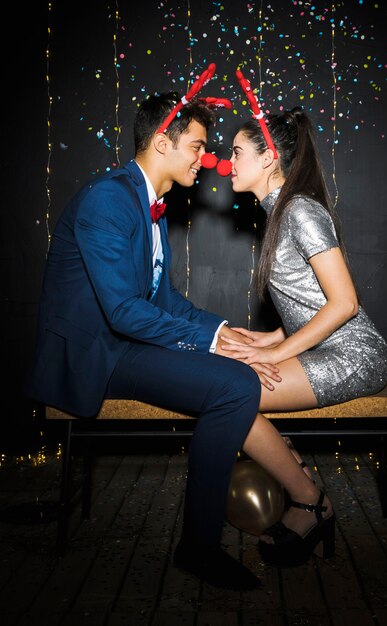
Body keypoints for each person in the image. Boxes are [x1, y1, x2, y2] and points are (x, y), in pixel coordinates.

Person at [24, 89, 332, 588]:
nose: (205, 158)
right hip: (96, 354)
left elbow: (163, 301)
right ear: (163, 143)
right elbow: (123, 311)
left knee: (235, 376)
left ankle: (218, 529)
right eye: (197, 146)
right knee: (234, 385)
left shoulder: (151, 205)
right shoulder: (109, 198)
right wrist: (217, 347)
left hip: (125, 344)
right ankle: (199, 547)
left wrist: (226, 335)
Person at [219, 105, 387, 566]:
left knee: (228, 396)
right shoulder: (280, 212)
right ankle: (305, 491)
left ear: (269, 158)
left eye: (237, 152)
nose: (228, 162)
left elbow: (344, 304)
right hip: (326, 346)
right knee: (221, 384)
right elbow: (309, 300)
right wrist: (266, 339)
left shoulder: (300, 211)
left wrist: (276, 356)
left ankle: (309, 503)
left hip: (356, 354)